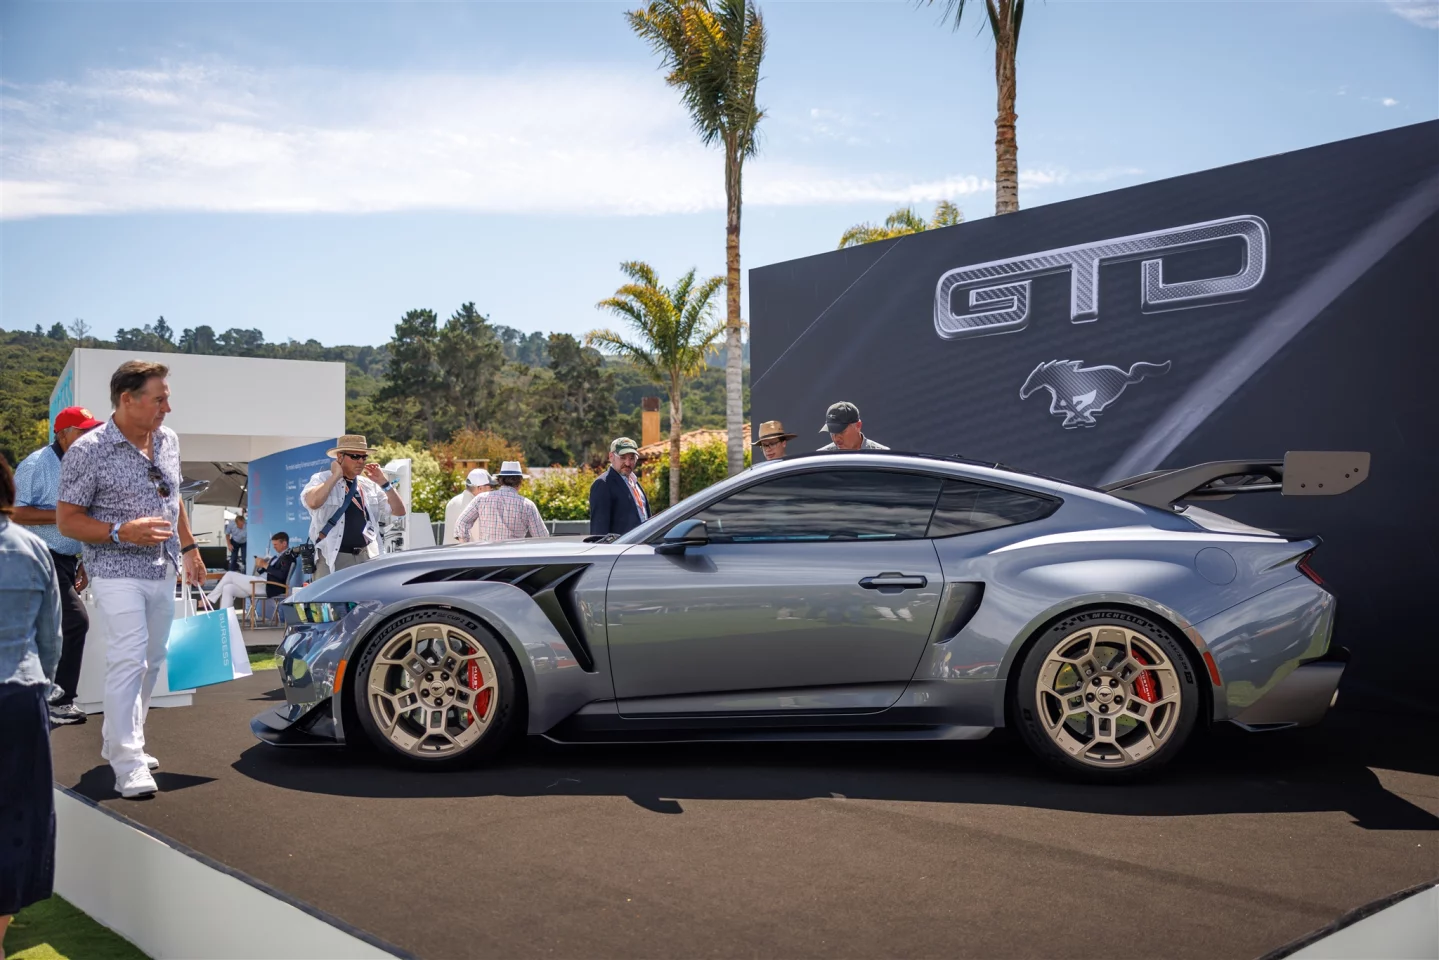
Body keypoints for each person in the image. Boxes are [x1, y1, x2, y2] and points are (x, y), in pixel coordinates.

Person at [56, 360, 208, 800]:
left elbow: (172, 494)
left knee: (154, 658)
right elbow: (68, 521)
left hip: (162, 567)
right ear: (128, 399)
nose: (168, 407)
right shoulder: (89, 450)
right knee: (130, 659)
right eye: (159, 398)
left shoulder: (168, 441)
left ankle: (125, 738)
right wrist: (121, 531)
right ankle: (127, 761)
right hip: (113, 569)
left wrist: (189, 547)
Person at [0, 453, 63, 951]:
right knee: (18, 816)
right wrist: (45, 689)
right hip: (20, 697)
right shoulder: (33, 547)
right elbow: (52, 638)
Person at [12, 405, 103, 725]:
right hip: (36, 557)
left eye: (92, 430)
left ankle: (42, 698)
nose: (89, 436)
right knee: (76, 621)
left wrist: (85, 560)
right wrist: (64, 516)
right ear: (62, 434)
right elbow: (14, 512)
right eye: (82, 431)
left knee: (48, 628)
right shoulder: (37, 464)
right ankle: (60, 700)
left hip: (66, 559)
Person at [301, 434, 405, 579]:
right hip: (333, 556)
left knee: (367, 601)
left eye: (364, 457)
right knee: (331, 601)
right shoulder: (322, 479)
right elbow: (312, 502)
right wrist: (336, 476)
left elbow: (399, 511)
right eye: (355, 456)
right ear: (340, 457)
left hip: (366, 556)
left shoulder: (368, 485)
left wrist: (384, 483)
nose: (361, 461)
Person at [455, 461, 548, 543]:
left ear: (500, 480)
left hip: (486, 556)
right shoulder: (528, 505)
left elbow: (461, 523)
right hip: (514, 558)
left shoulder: (481, 499)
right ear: (520, 482)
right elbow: (542, 537)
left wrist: (466, 547)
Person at [205, 531, 297, 612]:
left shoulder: (288, 557)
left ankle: (209, 599)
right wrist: (261, 564)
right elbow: (264, 571)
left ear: (284, 543)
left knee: (229, 574)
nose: (274, 547)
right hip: (260, 582)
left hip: (268, 585)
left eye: (276, 545)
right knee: (228, 588)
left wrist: (266, 565)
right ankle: (225, 620)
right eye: (273, 545)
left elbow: (281, 575)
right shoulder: (276, 557)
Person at [588, 437, 649, 537]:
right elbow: (599, 531)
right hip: (620, 550)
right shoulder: (603, 484)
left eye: (632, 458)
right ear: (611, 457)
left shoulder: (635, 482)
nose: (628, 463)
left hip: (639, 548)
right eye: (623, 457)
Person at [443, 468, 496, 545]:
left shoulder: (452, 502)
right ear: (480, 488)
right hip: (468, 554)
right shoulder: (477, 506)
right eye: (490, 486)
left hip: (448, 554)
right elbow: (479, 539)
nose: (492, 489)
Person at [818, 401, 888, 451]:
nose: (836, 439)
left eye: (841, 432)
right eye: (832, 432)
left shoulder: (882, 456)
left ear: (858, 426)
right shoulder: (822, 458)